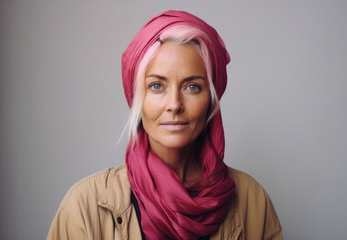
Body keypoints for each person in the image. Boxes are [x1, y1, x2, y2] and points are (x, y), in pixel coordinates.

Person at [47, 10, 282, 240]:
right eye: (157, 86)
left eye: (192, 87)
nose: (174, 105)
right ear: (137, 98)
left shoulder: (253, 202)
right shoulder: (84, 206)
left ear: (211, 99)